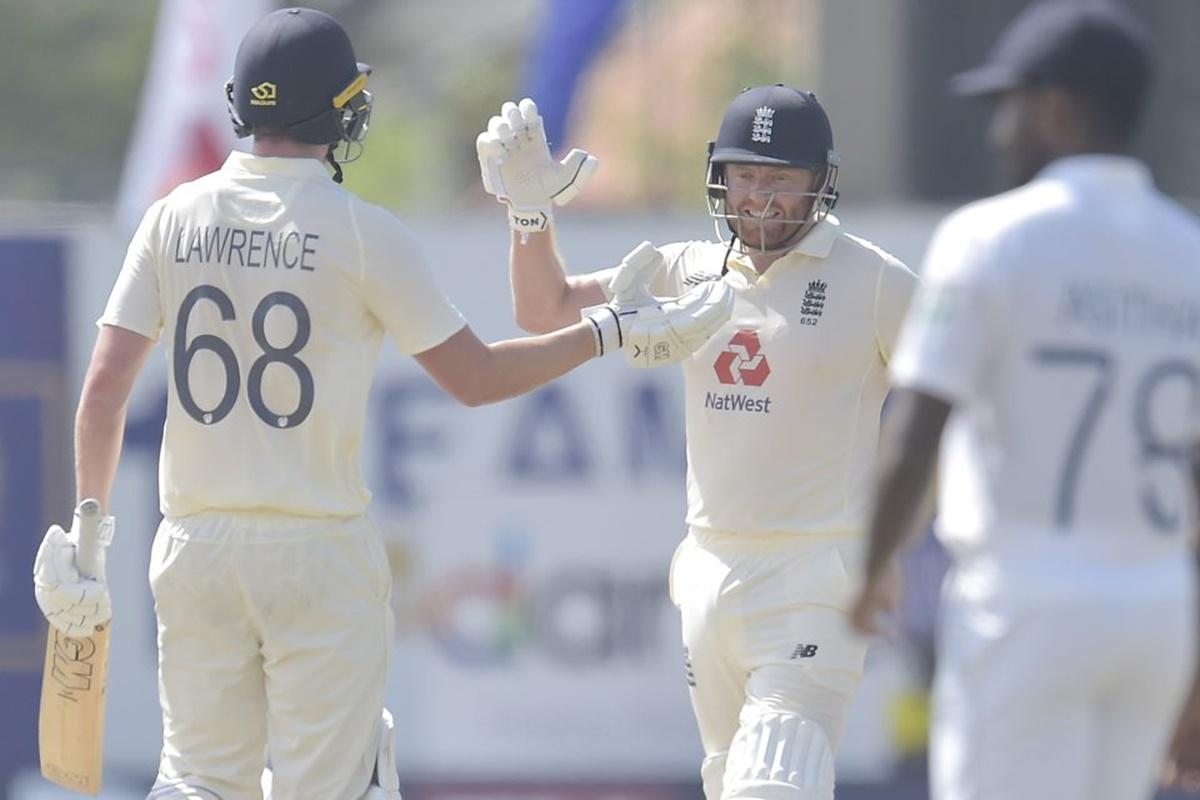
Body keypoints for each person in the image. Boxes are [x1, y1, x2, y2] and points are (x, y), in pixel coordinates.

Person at [30, 8, 732, 800]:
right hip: (315, 552)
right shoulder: (361, 233)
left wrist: (89, 537)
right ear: (336, 110)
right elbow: (476, 379)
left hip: (192, 547)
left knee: (197, 782)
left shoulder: (173, 218)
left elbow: (102, 390)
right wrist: (606, 331)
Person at [476, 84, 919, 799]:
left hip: (818, 575)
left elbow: (953, 405)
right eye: (745, 176)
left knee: (776, 782)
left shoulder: (874, 283)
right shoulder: (688, 268)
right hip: (711, 572)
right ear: (720, 175)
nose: (760, 198)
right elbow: (542, 309)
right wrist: (530, 212)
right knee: (727, 783)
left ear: (820, 183)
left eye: (780, 180)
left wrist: (899, 542)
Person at [848, 3, 1200, 798]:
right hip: (1155, 612)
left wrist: (869, 569)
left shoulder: (990, 238)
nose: (997, 132)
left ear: (1057, 110)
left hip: (1029, 602)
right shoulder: (1190, 253)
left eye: (1006, 107)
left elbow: (914, 429)